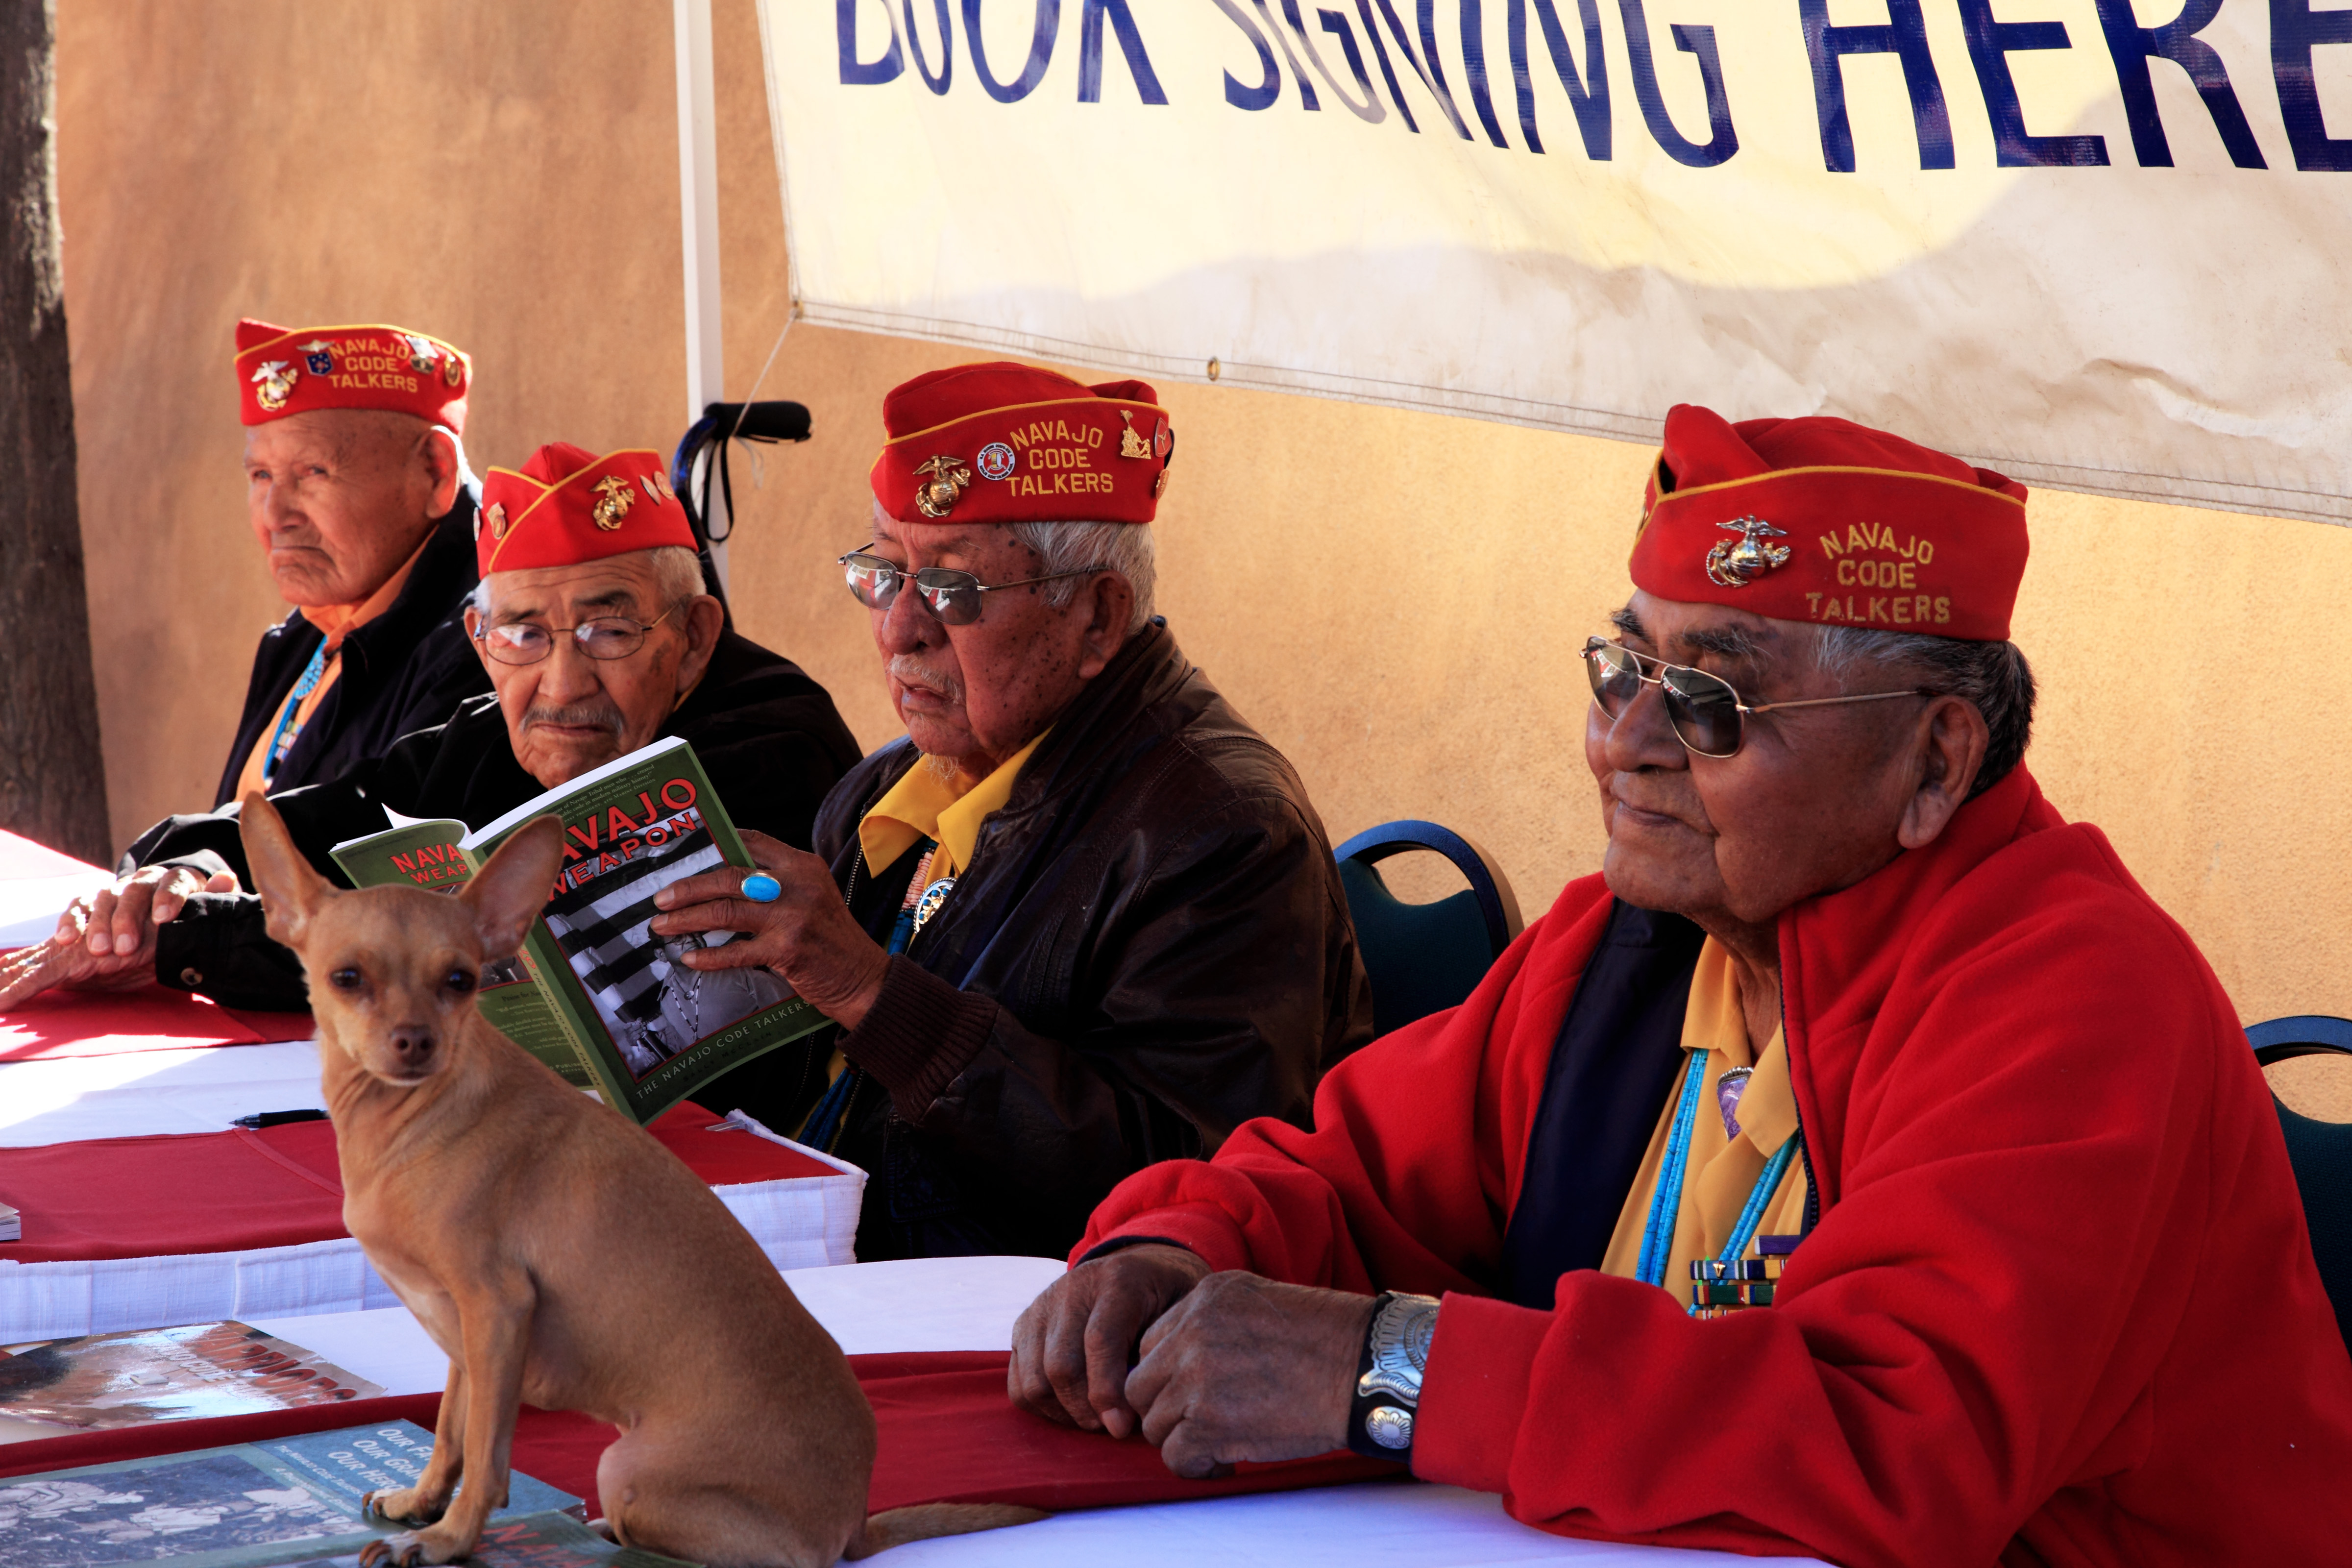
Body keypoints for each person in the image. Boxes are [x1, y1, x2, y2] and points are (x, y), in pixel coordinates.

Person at [1007, 405, 2352, 1565]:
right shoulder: (1630, 943)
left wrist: (1389, 1369)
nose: (1624, 745)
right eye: (1622, 669)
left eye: (1711, 700)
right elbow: (1343, 1180)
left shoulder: (2076, 997)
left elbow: (1898, 1448)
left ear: (1935, 765)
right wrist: (1170, 1250)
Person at [654, 361, 1373, 1261]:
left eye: (951, 591)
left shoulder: (1220, 831)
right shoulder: (882, 793)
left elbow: (1193, 1191)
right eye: (884, 572)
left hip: (1029, 1335)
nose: (897, 630)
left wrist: (876, 995)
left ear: (1098, 619)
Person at [0, 443, 860, 1014]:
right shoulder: (489, 731)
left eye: (610, 630)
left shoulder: (770, 745)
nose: (562, 683)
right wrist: (175, 880)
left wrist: (184, 943)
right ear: (481, 643)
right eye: (523, 634)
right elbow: (302, 823)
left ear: (695, 635)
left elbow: (497, 959)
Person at [220, 318, 495, 806]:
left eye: (312, 472)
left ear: (435, 472)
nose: (275, 515)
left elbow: (370, 841)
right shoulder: (307, 631)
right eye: (261, 474)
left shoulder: (491, 639)